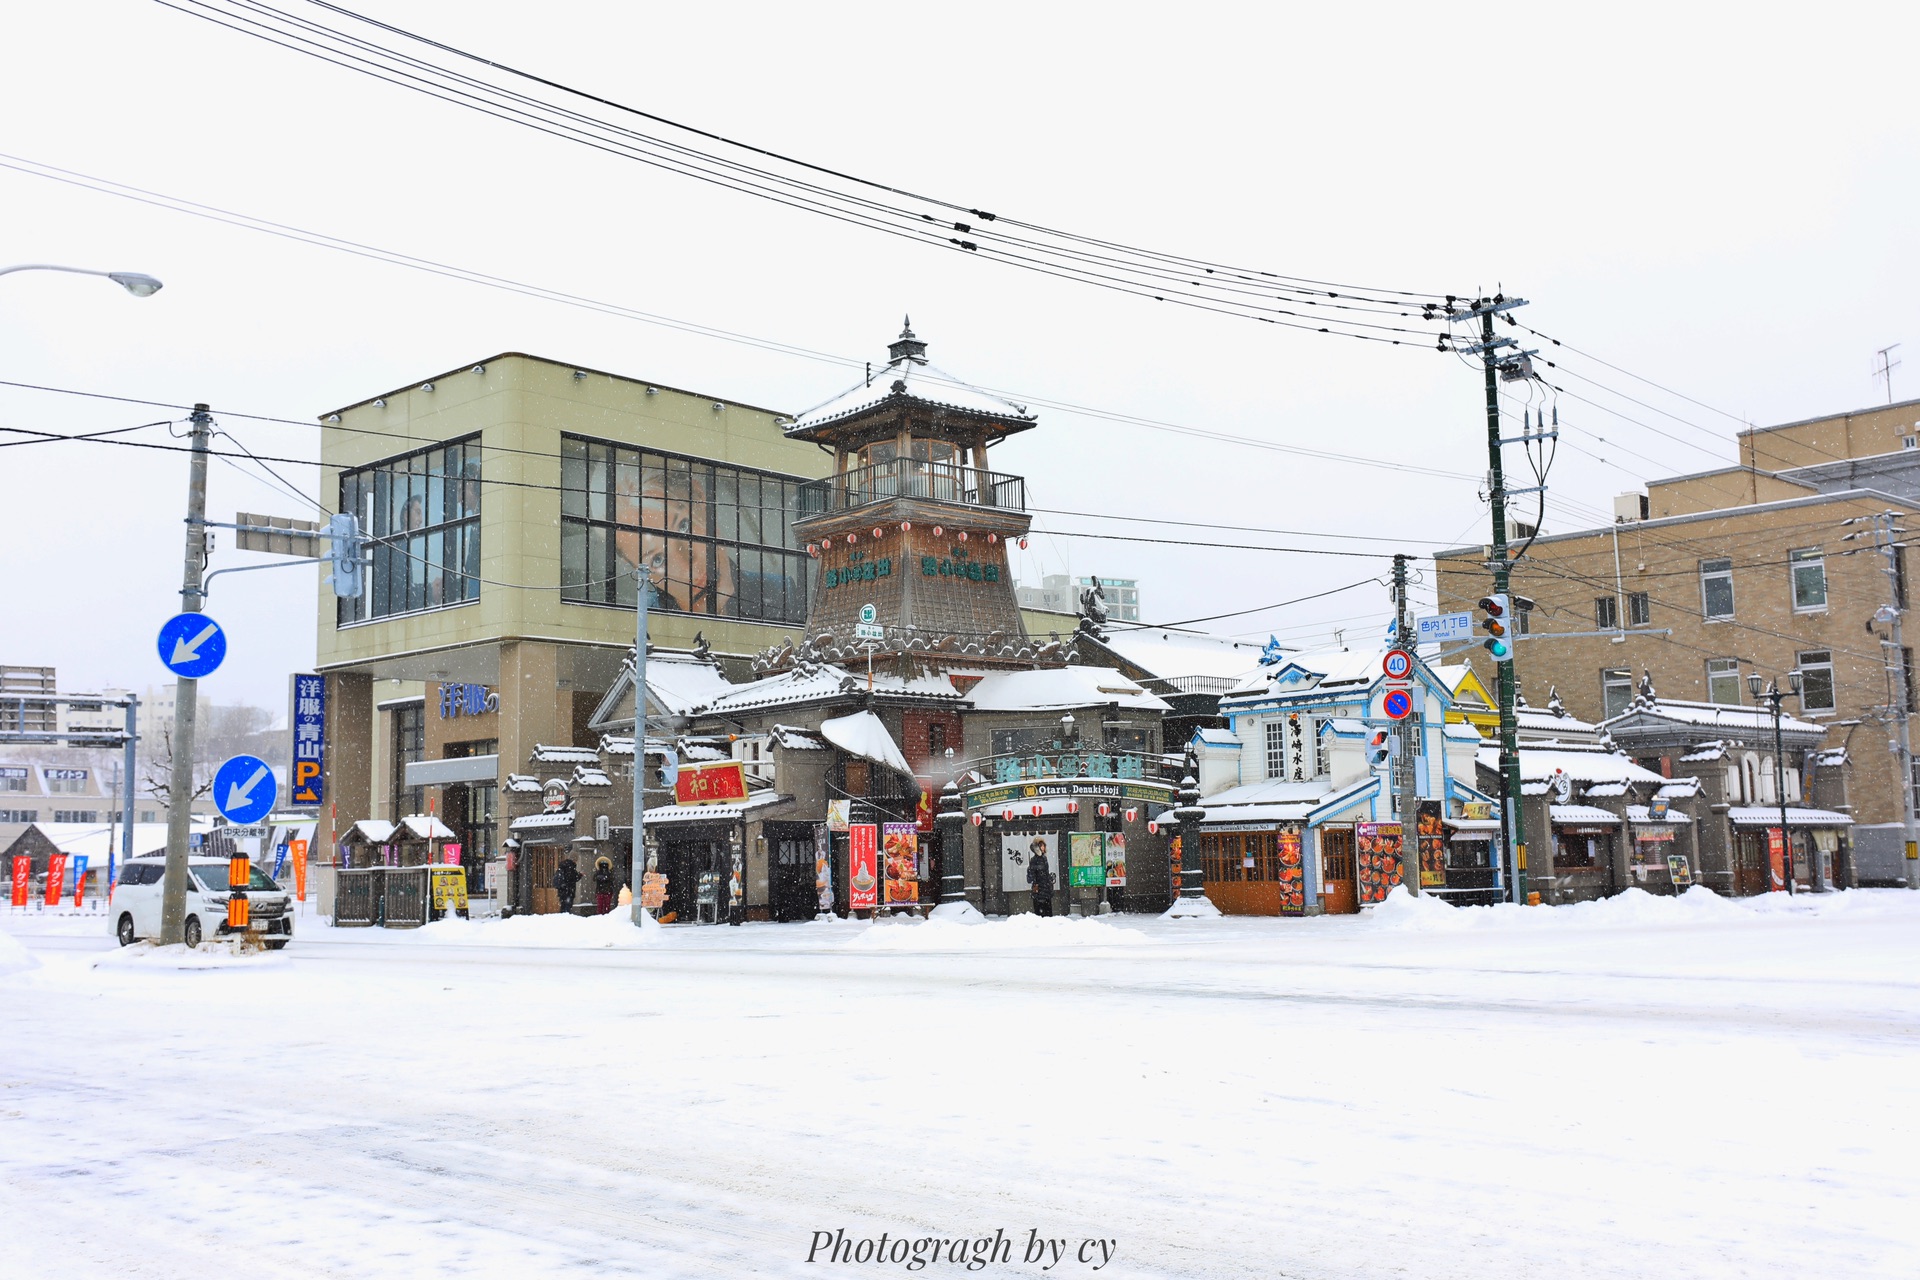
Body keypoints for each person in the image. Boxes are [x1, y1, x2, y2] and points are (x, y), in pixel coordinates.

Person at [1026, 838, 1055, 917]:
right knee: (1040, 915)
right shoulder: (1034, 860)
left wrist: (1050, 878)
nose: (1043, 847)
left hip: (1046, 889)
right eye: (1041, 846)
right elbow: (1031, 877)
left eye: (1044, 845)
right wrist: (1031, 871)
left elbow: (1045, 873)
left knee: (1048, 914)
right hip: (1039, 890)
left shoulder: (1044, 858)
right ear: (1037, 847)